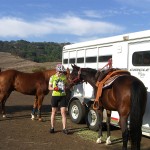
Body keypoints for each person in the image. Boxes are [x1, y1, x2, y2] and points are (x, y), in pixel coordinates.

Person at [48, 64, 69, 134]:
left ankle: (64, 128)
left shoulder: (64, 77)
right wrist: (54, 88)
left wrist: (65, 88)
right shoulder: (52, 77)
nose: (60, 73)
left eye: (62, 72)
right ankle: (52, 127)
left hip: (63, 96)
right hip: (55, 96)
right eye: (59, 72)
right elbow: (49, 87)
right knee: (54, 112)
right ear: (56, 71)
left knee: (63, 113)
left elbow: (66, 86)